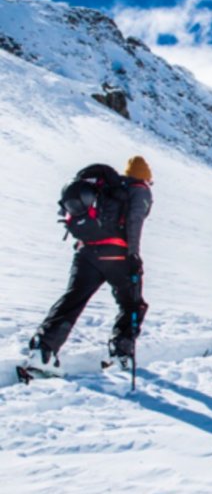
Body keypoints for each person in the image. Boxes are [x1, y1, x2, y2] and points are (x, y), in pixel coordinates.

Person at [25, 156, 154, 375]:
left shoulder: (103, 188)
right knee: (132, 304)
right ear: (145, 176)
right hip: (117, 256)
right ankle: (120, 353)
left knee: (73, 299)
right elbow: (134, 221)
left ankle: (43, 351)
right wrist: (133, 255)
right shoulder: (139, 189)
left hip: (85, 252)